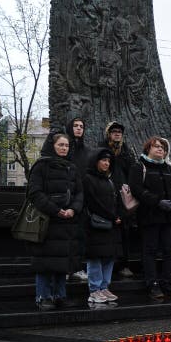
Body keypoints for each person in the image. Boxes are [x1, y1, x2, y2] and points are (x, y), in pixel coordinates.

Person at [27, 132, 84, 311]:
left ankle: (60, 296)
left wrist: (73, 209)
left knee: (62, 262)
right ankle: (43, 297)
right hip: (48, 221)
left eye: (66, 146)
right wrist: (56, 210)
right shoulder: (41, 166)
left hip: (67, 222)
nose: (64, 148)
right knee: (45, 263)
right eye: (60, 145)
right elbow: (35, 193)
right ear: (52, 146)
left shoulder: (72, 168)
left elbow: (79, 193)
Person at [129, 136, 171, 299]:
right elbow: (137, 189)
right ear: (148, 149)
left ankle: (168, 282)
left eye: (163, 148)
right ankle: (152, 284)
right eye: (157, 146)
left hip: (169, 217)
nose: (161, 149)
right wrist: (158, 202)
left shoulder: (168, 168)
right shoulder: (139, 166)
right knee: (150, 251)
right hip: (150, 216)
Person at [82, 147, 122, 304]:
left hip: (110, 225)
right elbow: (93, 202)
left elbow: (114, 201)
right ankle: (94, 290)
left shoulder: (109, 180)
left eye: (108, 161)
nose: (106, 163)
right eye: (103, 160)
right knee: (95, 258)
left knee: (108, 257)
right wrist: (112, 216)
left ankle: (104, 287)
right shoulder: (88, 179)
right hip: (95, 225)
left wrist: (118, 215)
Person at [99, 120, 137, 278]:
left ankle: (124, 264)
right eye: (114, 131)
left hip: (123, 195)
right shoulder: (102, 149)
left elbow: (132, 170)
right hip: (106, 194)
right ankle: (108, 265)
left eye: (119, 132)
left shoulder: (126, 151)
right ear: (109, 133)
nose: (117, 133)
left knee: (125, 231)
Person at [66, 116, 91, 282]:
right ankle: (65, 269)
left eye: (81, 126)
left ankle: (76, 267)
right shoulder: (64, 146)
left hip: (81, 198)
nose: (79, 128)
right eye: (75, 125)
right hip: (64, 197)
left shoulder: (86, 151)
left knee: (79, 236)